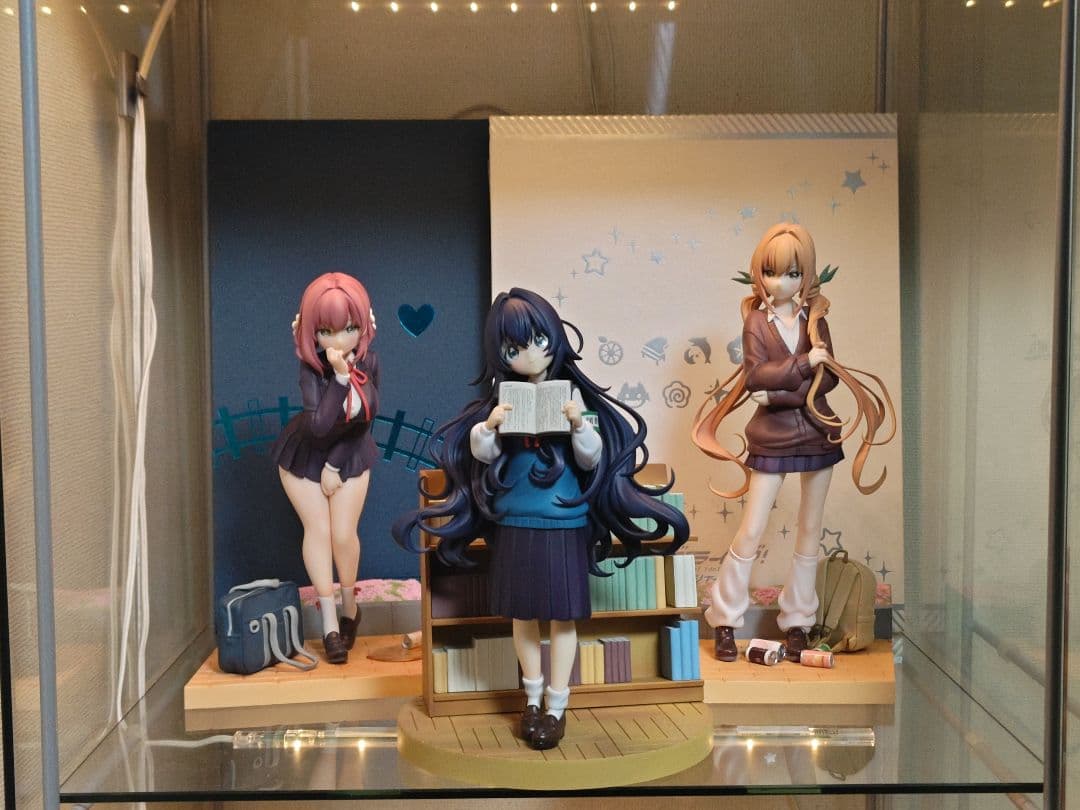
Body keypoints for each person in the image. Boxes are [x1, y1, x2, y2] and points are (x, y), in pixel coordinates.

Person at [394, 288, 688, 750]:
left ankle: (557, 704)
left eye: (537, 341)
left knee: (563, 616)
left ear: (553, 338)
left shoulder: (573, 396)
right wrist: (488, 427)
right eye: (513, 348)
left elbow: (591, 460)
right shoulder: (501, 399)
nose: (528, 354)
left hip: (564, 516)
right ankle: (530, 699)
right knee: (522, 613)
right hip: (515, 517)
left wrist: (579, 425)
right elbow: (482, 455)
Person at [691, 223, 894, 662]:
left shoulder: (815, 321)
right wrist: (803, 365)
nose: (781, 283)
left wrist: (779, 392)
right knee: (752, 529)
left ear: (807, 275)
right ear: (758, 274)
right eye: (771, 272)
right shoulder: (755, 323)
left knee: (809, 530)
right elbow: (756, 376)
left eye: (793, 274)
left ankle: (798, 622)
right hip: (772, 437)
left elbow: (829, 379)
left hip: (819, 433)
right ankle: (725, 619)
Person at [272, 272, 379, 665]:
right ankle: (330, 624)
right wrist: (339, 379)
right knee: (317, 531)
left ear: (363, 325)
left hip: (350, 454)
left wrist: (335, 465)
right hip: (305, 455)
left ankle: (351, 608)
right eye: (326, 331)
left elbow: (366, 420)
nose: (338, 340)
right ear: (311, 331)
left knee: (343, 534)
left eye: (349, 328)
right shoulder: (311, 370)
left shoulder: (370, 362)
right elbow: (318, 426)